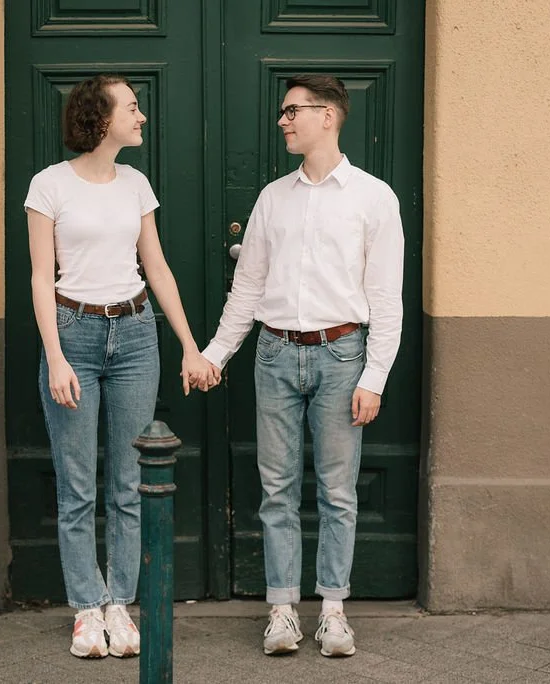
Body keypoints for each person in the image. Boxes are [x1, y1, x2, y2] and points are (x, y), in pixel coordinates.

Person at [198, 75, 405, 657]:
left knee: (338, 491)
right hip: (275, 353)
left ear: (329, 116)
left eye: (292, 111)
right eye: (283, 112)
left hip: (343, 356)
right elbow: (248, 288)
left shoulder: (373, 197)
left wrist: (375, 377)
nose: (283, 121)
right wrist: (217, 354)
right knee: (278, 489)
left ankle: (334, 612)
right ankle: (283, 611)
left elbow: (386, 298)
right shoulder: (273, 197)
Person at [24, 74, 212, 659]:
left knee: (130, 483)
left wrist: (188, 344)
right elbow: (39, 276)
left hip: (135, 335)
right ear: (100, 117)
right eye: (132, 107)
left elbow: (156, 268)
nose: (142, 117)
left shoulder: (135, 183)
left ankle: (120, 606)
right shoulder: (49, 185)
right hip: (74, 334)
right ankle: (86, 608)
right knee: (77, 484)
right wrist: (55, 356)